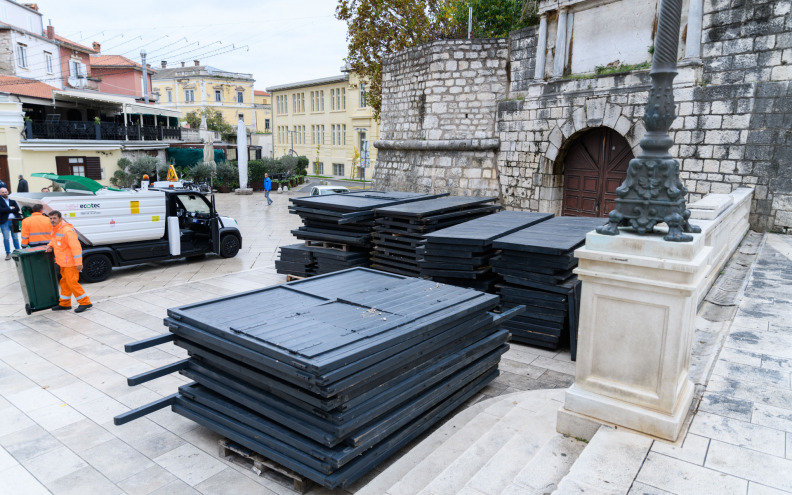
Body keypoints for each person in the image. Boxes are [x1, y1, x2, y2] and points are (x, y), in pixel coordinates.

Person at [46, 211, 92, 312]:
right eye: (51, 218)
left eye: (54, 218)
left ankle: (85, 302)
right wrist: (50, 245)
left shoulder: (67, 231)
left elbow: (76, 247)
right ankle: (64, 303)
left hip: (70, 263)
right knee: (65, 283)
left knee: (72, 283)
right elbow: (54, 240)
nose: (52, 220)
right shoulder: (57, 229)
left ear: (60, 218)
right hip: (63, 262)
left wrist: (79, 262)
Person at [0, 187, 20, 260]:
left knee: (15, 238)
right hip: (4, 221)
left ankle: (18, 251)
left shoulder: (12, 199)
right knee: (6, 238)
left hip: (14, 220)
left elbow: (17, 208)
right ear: (0, 193)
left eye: (6, 191)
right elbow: (1, 210)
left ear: (8, 192)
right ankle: (8, 253)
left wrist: (8, 209)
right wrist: (11, 208)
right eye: (3, 192)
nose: (5, 193)